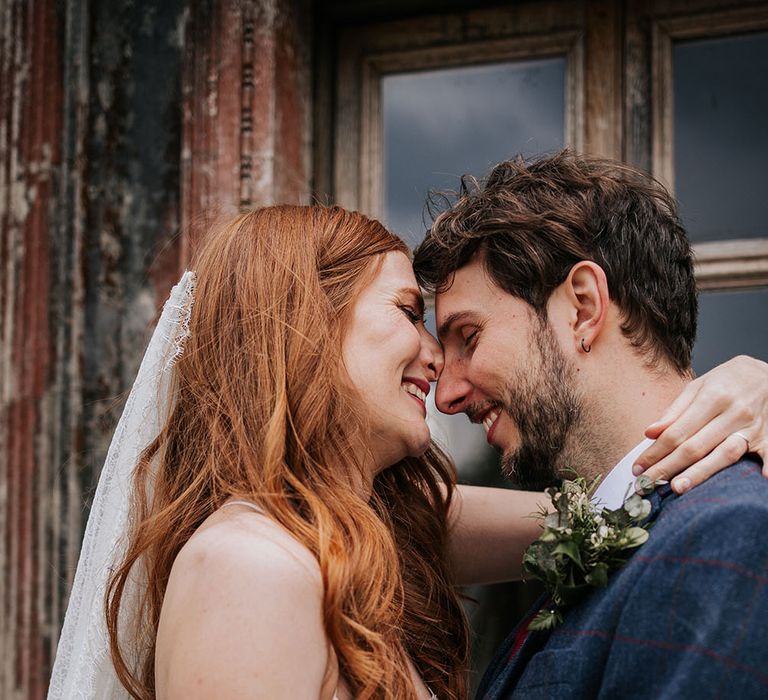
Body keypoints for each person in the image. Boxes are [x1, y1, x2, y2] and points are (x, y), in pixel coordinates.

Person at [48, 204, 767, 700]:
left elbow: (619, 508)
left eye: (461, 334)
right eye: (406, 314)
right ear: (304, 324)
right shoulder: (248, 564)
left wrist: (750, 397)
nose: (437, 365)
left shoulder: (358, 532)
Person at [413, 150, 768, 699]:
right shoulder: (610, 531)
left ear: (582, 306)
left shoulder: (726, 535)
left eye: (469, 337)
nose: (449, 394)